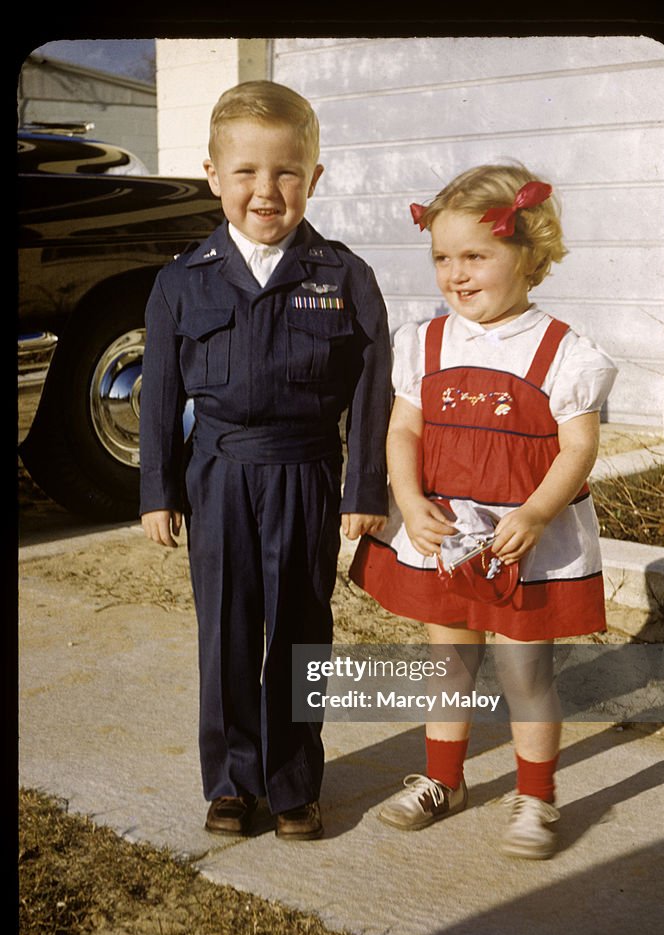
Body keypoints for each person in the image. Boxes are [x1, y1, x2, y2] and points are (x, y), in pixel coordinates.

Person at [139, 81, 390, 841]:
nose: (266, 190)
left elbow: (374, 388)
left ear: (313, 178)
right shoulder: (182, 281)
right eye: (245, 171)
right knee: (227, 631)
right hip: (216, 474)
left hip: (306, 471)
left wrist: (364, 487)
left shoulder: (344, 278)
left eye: (286, 171)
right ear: (213, 174)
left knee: (301, 629)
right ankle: (231, 782)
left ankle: (291, 785)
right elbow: (158, 396)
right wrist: (158, 488)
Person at [350, 163, 617, 859]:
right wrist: (407, 498)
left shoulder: (563, 352)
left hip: (524, 542)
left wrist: (534, 514)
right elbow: (403, 430)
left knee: (525, 673)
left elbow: (578, 448)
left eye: (476, 255)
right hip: (448, 537)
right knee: (449, 663)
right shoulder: (425, 343)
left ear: (528, 256)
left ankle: (535, 796)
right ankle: (444, 780)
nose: (456, 274)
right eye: (443, 257)